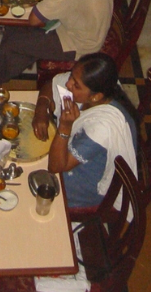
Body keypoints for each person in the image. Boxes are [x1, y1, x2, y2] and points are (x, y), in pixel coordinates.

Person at [32, 53, 138, 208]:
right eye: (72, 76)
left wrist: (64, 127)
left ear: (95, 97)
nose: (68, 84)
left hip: (86, 184)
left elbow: (55, 167)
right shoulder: (100, 86)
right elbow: (52, 84)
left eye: (76, 85)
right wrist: (41, 108)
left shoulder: (102, 127)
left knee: (31, 180)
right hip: (73, 158)